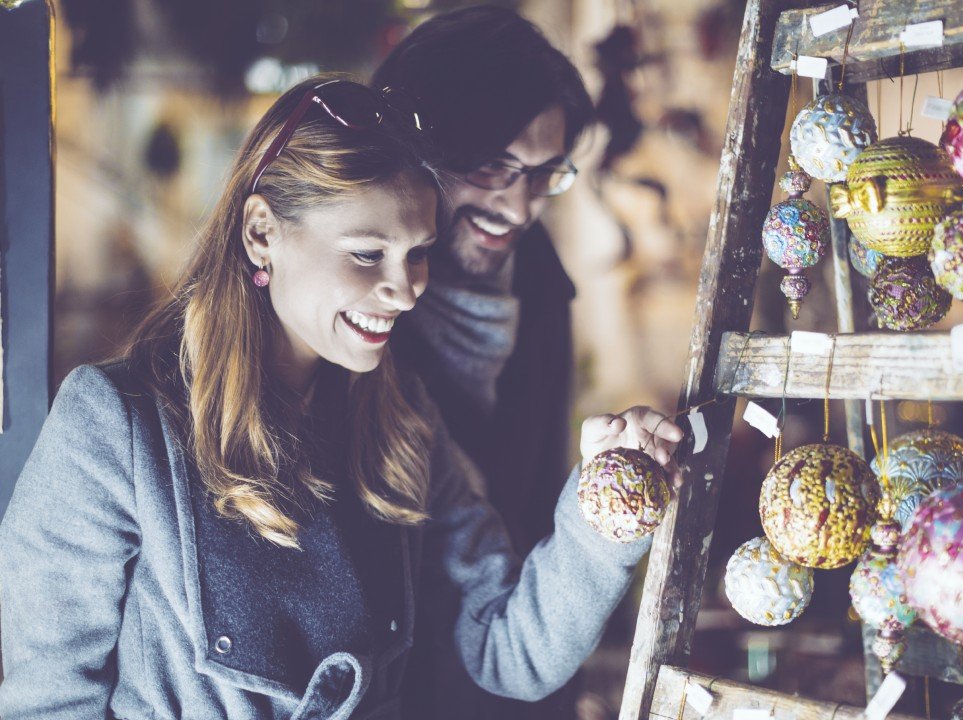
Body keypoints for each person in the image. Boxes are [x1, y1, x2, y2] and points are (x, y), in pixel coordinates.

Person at [0, 73, 682, 720]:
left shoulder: (400, 419)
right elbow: (48, 701)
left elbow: (513, 651)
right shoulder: (115, 425)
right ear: (261, 232)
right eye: (367, 253)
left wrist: (605, 511)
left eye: (417, 252)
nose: (408, 287)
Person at [373, 10, 593, 716]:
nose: (519, 205)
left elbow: (531, 503)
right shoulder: (344, 307)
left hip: (506, 673)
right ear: (416, 147)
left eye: (542, 174)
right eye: (492, 166)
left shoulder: (539, 278)